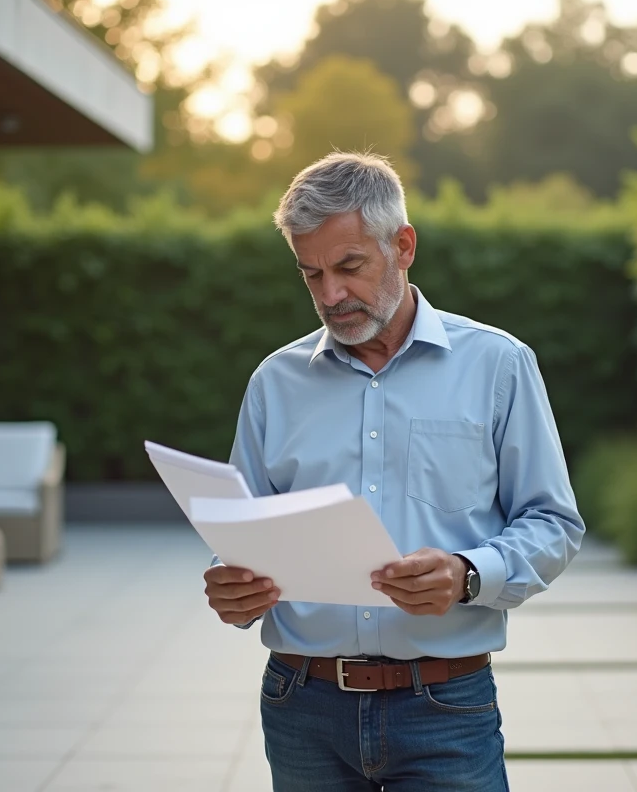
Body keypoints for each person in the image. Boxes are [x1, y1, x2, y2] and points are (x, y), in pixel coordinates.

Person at [202, 151, 585, 791]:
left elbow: (553, 522)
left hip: (445, 709)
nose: (331, 295)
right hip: (302, 707)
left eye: (349, 267)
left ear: (403, 245)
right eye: (311, 274)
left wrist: (468, 574)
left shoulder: (498, 365)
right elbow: (242, 537)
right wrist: (231, 586)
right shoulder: (275, 383)